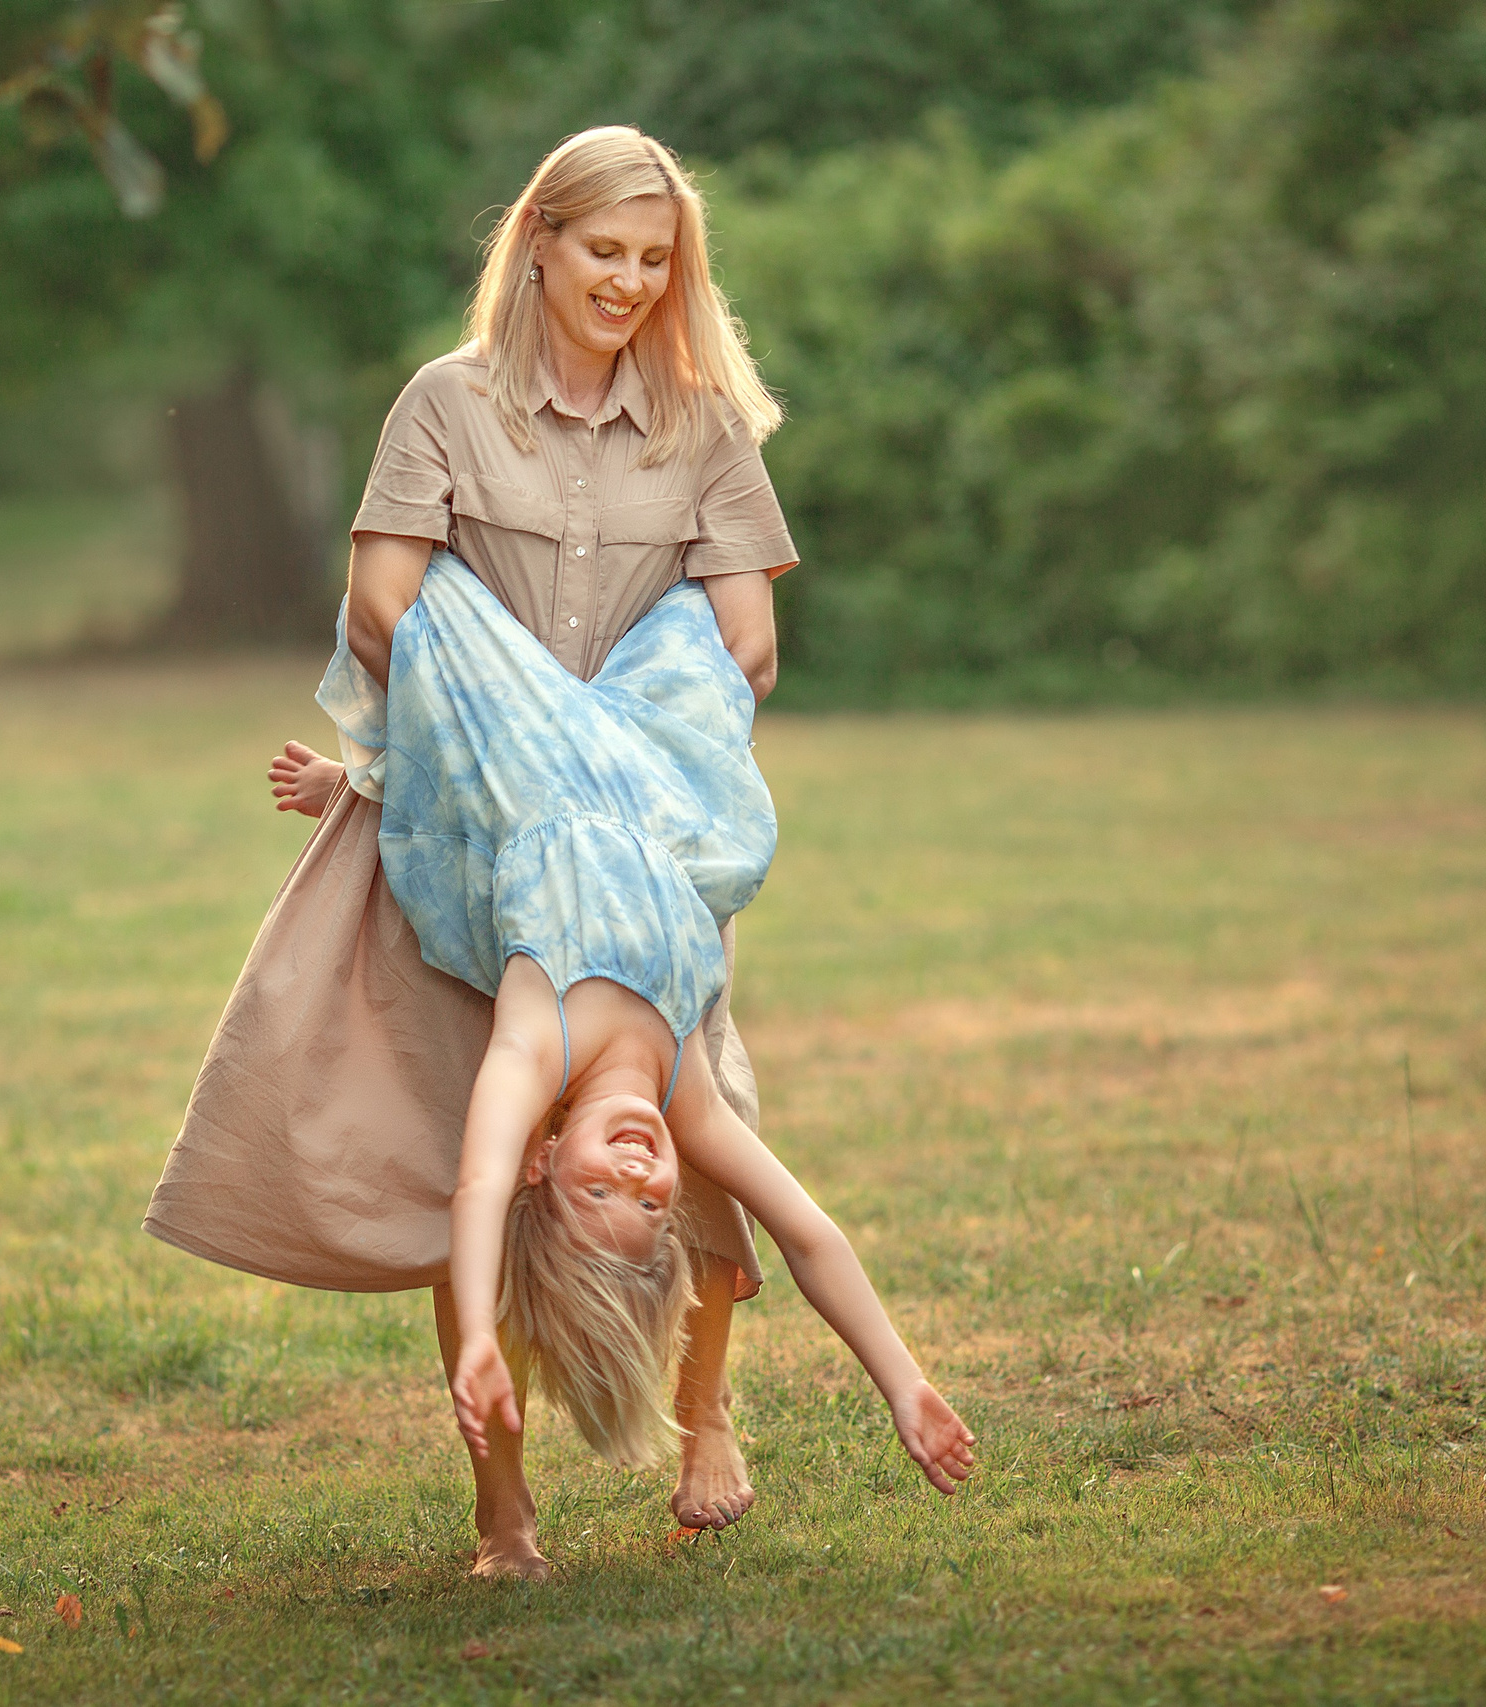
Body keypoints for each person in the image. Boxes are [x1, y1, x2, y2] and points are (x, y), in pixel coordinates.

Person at [143, 124, 798, 1577]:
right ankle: (503, 1506)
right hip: (466, 842)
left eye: (654, 258)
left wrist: (572, 744)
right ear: (542, 245)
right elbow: (389, 607)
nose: (628, 281)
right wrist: (507, 742)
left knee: (710, 1134)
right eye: (603, 252)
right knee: (473, 1168)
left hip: (641, 846)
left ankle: (707, 1411)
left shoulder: (703, 425)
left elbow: (741, 642)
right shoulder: (443, 405)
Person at [325, 544, 978, 1546]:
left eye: (597, 1192)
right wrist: (902, 1380)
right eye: (651, 1202)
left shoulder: (532, 1050)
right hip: (657, 760)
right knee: (709, 611)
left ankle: (371, 766)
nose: (636, 1169)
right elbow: (807, 1235)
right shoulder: (686, 1099)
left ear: (546, 1162)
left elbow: (475, 1192)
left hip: (521, 747)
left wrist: (474, 1346)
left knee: (421, 598)